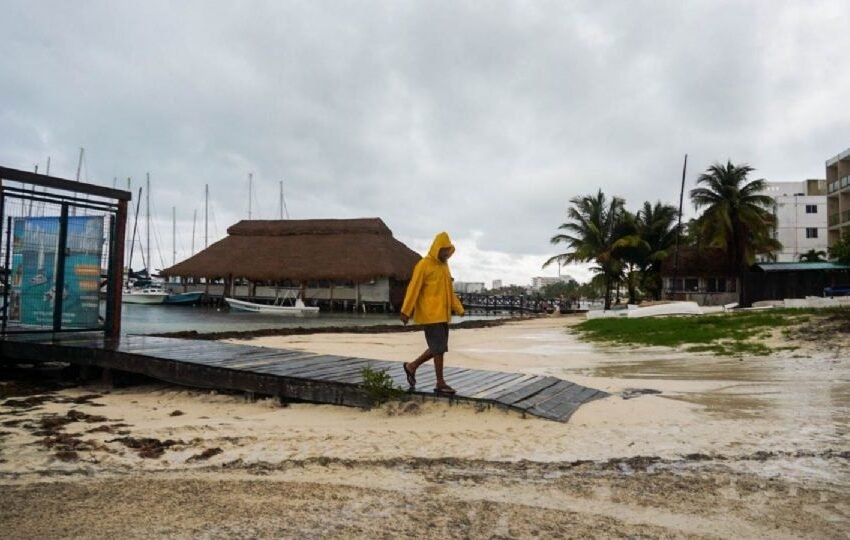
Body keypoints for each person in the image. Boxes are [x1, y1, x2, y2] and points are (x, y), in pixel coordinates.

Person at [400, 231, 465, 395]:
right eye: (444, 250)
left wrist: (458, 308)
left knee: (439, 348)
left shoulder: (444, 266)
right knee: (438, 347)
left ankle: (418, 370)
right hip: (430, 314)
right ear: (437, 248)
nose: (446, 254)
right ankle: (429, 376)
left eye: (448, 250)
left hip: (442, 314)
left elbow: (449, 290)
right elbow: (413, 288)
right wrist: (406, 310)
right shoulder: (423, 265)